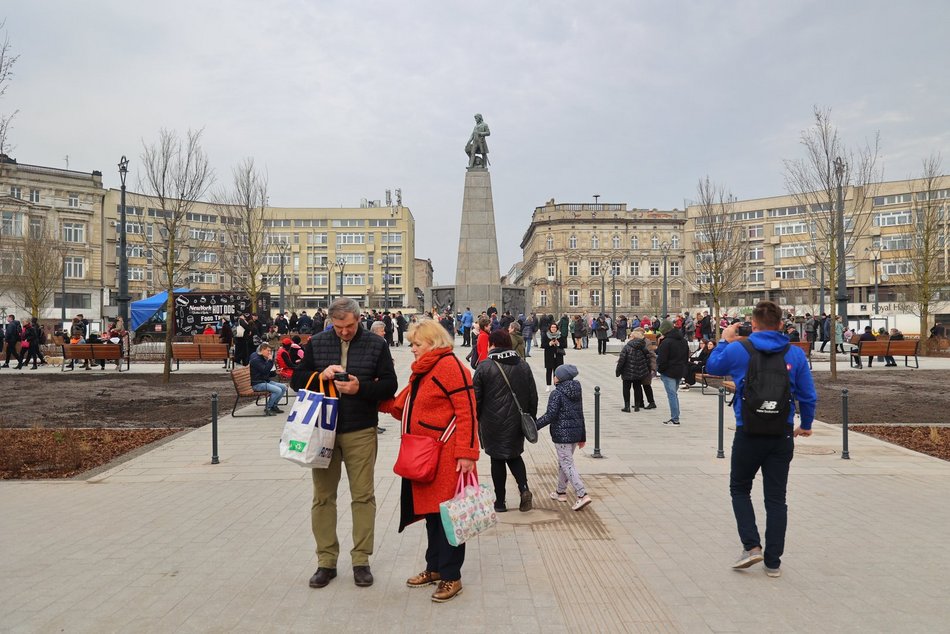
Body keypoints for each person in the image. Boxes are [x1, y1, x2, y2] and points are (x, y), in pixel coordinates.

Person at [705, 300, 817, 578]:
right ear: (781, 325)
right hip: (781, 434)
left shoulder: (739, 348)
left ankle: (752, 546)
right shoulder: (795, 354)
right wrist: (806, 424)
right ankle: (773, 562)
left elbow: (713, 367)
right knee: (776, 498)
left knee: (740, 489)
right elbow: (807, 394)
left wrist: (724, 339)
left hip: (748, 432)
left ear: (752, 325)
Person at [296, 297, 397, 590]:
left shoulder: (376, 345)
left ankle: (360, 560)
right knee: (323, 497)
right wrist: (318, 375)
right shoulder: (317, 342)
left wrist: (359, 388)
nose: (344, 332)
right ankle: (326, 562)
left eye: (349, 326)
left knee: (363, 496)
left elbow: (390, 385)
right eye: (338, 326)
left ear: (359, 319)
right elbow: (297, 379)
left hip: (360, 430)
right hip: (322, 431)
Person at [380, 319, 478, 603]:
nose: (411, 349)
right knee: (432, 517)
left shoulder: (450, 367)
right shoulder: (424, 369)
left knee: (449, 518)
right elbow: (402, 406)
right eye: (411, 343)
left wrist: (467, 453)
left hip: (448, 456)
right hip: (426, 455)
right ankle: (434, 568)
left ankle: (452, 576)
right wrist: (366, 393)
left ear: (432, 343)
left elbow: (468, 412)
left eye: (416, 344)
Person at [473, 329, 537, 513]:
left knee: (497, 459)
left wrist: (475, 419)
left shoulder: (484, 366)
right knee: (514, 455)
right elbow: (533, 395)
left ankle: (500, 502)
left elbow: (475, 398)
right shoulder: (523, 365)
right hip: (517, 420)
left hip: (492, 421)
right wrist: (530, 418)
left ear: (492, 344)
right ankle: (524, 489)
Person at [536, 364, 592, 511]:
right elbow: (580, 414)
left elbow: (550, 415)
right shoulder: (576, 391)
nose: (553, 377)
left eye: (555, 375)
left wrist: (534, 426)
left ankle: (582, 494)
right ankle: (561, 492)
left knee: (567, 464)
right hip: (575, 434)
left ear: (559, 378)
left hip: (562, 435)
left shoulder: (557, 393)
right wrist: (582, 436)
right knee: (563, 463)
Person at [656, 319, 688, 426]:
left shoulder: (666, 342)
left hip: (668, 371)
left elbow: (662, 359)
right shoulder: (683, 341)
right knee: (674, 394)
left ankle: (675, 418)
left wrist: (661, 370)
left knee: (672, 395)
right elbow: (685, 357)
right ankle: (675, 416)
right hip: (679, 370)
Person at [616, 328, 655, 412]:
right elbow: (648, 358)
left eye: (630, 336)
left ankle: (627, 406)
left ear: (633, 337)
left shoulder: (627, 347)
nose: (629, 337)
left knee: (626, 388)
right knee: (637, 388)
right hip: (639, 372)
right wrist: (646, 368)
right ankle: (637, 406)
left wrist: (618, 371)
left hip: (627, 372)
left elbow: (622, 360)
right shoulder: (642, 346)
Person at [249, 343, 287, 415]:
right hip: (257, 384)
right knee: (277, 390)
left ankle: (274, 406)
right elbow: (265, 371)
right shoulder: (256, 360)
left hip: (264, 381)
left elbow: (265, 373)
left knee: (283, 387)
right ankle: (268, 408)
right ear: (262, 350)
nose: (270, 353)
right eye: (268, 351)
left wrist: (275, 372)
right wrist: (270, 361)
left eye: (270, 351)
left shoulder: (262, 358)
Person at [541, 320, 567, 391]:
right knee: (549, 370)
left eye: (555, 327)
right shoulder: (546, 335)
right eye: (552, 327)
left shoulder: (560, 335)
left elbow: (565, 345)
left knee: (558, 371)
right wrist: (549, 344)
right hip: (549, 356)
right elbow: (542, 345)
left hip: (558, 356)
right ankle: (548, 385)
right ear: (550, 328)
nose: (553, 329)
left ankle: (557, 385)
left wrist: (558, 343)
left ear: (557, 328)